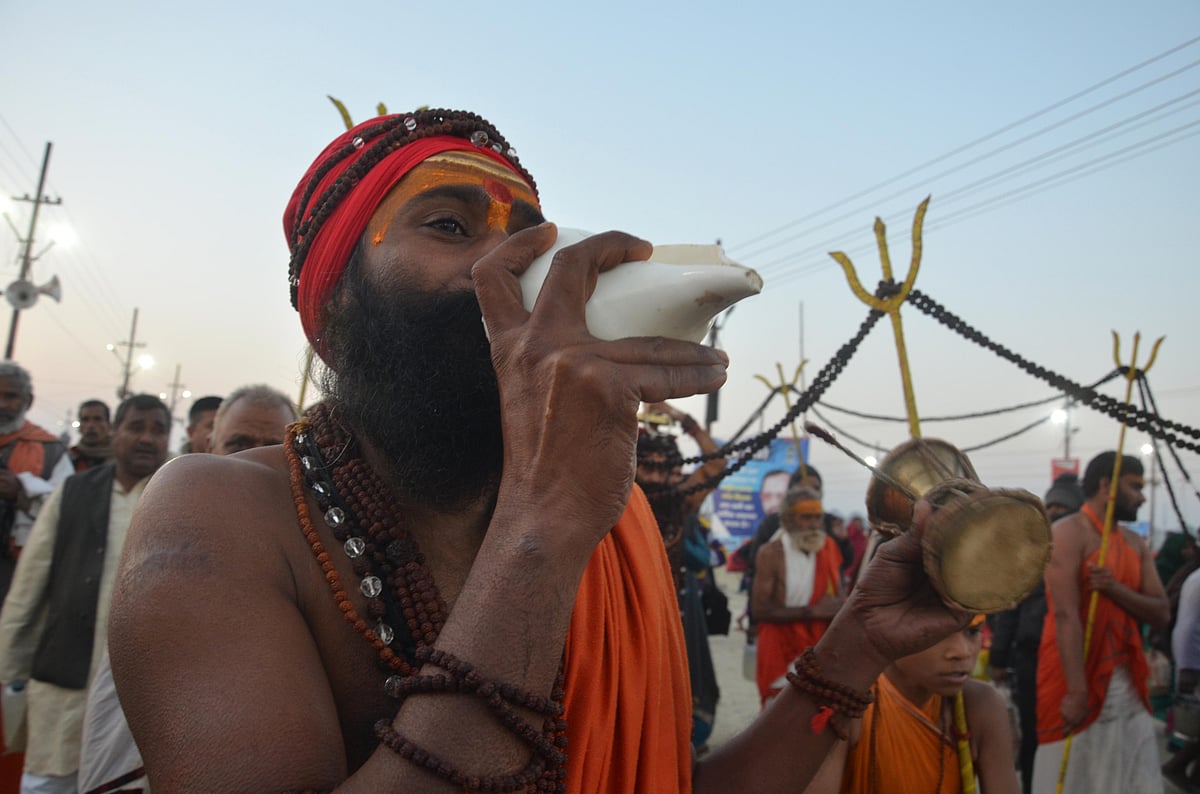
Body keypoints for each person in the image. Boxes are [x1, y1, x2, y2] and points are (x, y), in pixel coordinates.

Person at [107, 108, 976, 793]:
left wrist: (856, 643)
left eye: (531, 240)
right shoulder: (219, 513)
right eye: (450, 225)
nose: (509, 271)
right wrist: (544, 526)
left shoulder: (613, 524)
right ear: (334, 316)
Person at [76, 385, 297, 794]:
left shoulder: (319, 544)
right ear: (209, 444)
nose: (254, 458)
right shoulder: (164, 517)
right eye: (239, 443)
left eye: (273, 445)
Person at [0, 394, 170, 794]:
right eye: (136, 427)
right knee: (47, 781)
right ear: (115, 434)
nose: (147, 438)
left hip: (139, 700)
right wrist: (8, 671)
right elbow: (29, 588)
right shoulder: (74, 492)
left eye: (158, 430)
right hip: (64, 685)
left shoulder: (181, 497)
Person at [1032, 451, 1170, 793]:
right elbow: (1065, 616)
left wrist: (1114, 589)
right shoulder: (1067, 534)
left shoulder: (1135, 543)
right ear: (1106, 485)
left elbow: (1161, 613)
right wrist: (1077, 692)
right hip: (1073, 679)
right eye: (1134, 486)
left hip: (1125, 682)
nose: (1142, 496)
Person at [804, 616, 1019, 793]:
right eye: (938, 634)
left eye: (972, 632)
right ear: (888, 631)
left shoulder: (981, 706)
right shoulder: (846, 705)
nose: (962, 652)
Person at [635, 401, 726, 751]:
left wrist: (683, 420)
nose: (656, 476)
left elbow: (717, 465)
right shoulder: (616, 497)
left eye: (664, 468)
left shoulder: (682, 502)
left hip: (673, 614)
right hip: (624, 612)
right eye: (647, 466)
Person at [988, 471, 1083, 794]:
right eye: (1053, 510)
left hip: (1048, 655)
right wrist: (1000, 655)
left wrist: (1000, 656)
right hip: (1040, 656)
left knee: (1041, 734)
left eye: (1060, 510)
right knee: (1041, 734)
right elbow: (1010, 605)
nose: (1056, 515)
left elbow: (1008, 608)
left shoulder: (1044, 542)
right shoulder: (1043, 545)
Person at [752, 485, 845, 706]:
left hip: (817, 646)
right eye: (806, 518)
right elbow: (759, 609)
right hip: (779, 645)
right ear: (788, 520)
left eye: (817, 518)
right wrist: (812, 611)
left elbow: (839, 597)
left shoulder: (829, 547)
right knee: (778, 713)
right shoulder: (770, 553)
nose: (814, 525)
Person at [0, 362, 72, 601]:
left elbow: (69, 508)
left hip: (17, 570)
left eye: (10, 396)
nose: (2, 404)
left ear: (28, 401)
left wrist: (20, 493)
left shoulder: (51, 450)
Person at [1164, 560, 1200, 791]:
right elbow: (1185, 626)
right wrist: (1186, 668)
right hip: (1196, 667)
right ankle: (1176, 767)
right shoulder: (1197, 580)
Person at [68, 400, 113, 473]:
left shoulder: (123, 461)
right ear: (79, 427)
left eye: (97, 419)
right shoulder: (69, 459)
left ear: (109, 426)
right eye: (85, 420)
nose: (90, 425)